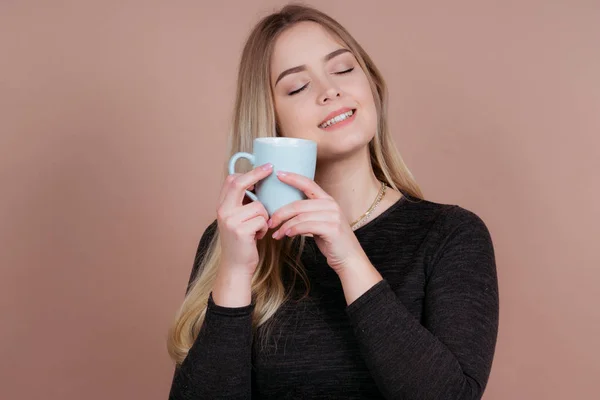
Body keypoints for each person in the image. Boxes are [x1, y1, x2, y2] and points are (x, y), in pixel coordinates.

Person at [167, 4, 499, 399]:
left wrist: (349, 258)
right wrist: (235, 274)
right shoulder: (235, 241)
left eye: (343, 69)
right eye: (297, 87)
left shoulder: (451, 236)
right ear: (271, 120)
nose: (331, 91)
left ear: (371, 84)